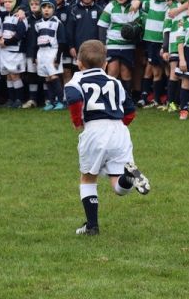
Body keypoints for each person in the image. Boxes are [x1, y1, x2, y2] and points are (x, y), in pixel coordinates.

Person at [64, 39, 150, 236]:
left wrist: (77, 121)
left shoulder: (75, 82)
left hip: (94, 131)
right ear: (105, 64)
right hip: (119, 131)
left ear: (79, 63)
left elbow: (75, 99)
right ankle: (129, 176)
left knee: (87, 177)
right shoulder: (115, 82)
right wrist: (118, 126)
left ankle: (92, 226)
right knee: (118, 187)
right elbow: (130, 111)